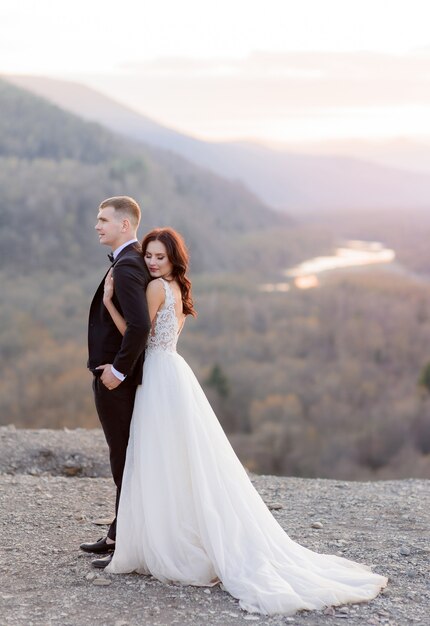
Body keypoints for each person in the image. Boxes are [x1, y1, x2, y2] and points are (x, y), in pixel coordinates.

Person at [101, 227, 387, 616]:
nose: (151, 262)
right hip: (174, 374)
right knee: (181, 458)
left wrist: (111, 304)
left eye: (159, 257)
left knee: (160, 457)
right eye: (148, 256)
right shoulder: (179, 291)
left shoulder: (155, 290)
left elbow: (137, 337)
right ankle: (180, 533)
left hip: (159, 376)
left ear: (172, 260)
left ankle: (171, 543)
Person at [80, 196, 151, 564]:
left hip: (117, 380)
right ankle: (118, 532)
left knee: (123, 458)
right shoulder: (130, 260)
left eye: (104, 219)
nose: (97, 225)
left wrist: (118, 371)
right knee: (124, 456)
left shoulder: (126, 266)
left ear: (125, 225)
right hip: (117, 376)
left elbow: (140, 325)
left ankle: (127, 543)